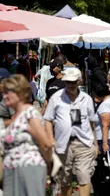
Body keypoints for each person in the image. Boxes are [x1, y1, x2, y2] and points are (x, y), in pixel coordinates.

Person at [43, 68, 98, 196]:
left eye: (73, 82)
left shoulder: (87, 99)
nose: (70, 85)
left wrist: (95, 143)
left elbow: (91, 123)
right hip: (62, 144)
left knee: (84, 176)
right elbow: (47, 119)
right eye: (68, 82)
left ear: (79, 82)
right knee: (64, 179)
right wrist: (51, 140)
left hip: (84, 142)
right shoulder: (56, 98)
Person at [1, 74, 53, 196]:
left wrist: (49, 167)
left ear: (19, 93)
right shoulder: (15, 116)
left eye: (8, 92)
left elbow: (46, 144)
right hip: (11, 171)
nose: (4, 96)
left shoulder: (30, 113)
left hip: (29, 169)